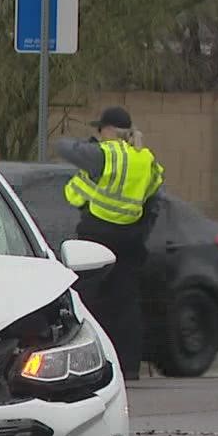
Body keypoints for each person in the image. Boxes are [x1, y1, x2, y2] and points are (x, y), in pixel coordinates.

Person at [56, 106, 164, 381]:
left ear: (108, 130)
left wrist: (92, 146)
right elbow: (153, 197)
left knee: (90, 302)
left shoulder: (104, 154)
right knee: (126, 304)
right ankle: (129, 366)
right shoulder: (145, 159)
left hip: (98, 236)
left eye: (100, 130)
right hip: (130, 239)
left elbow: (64, 146)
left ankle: (91, 363)